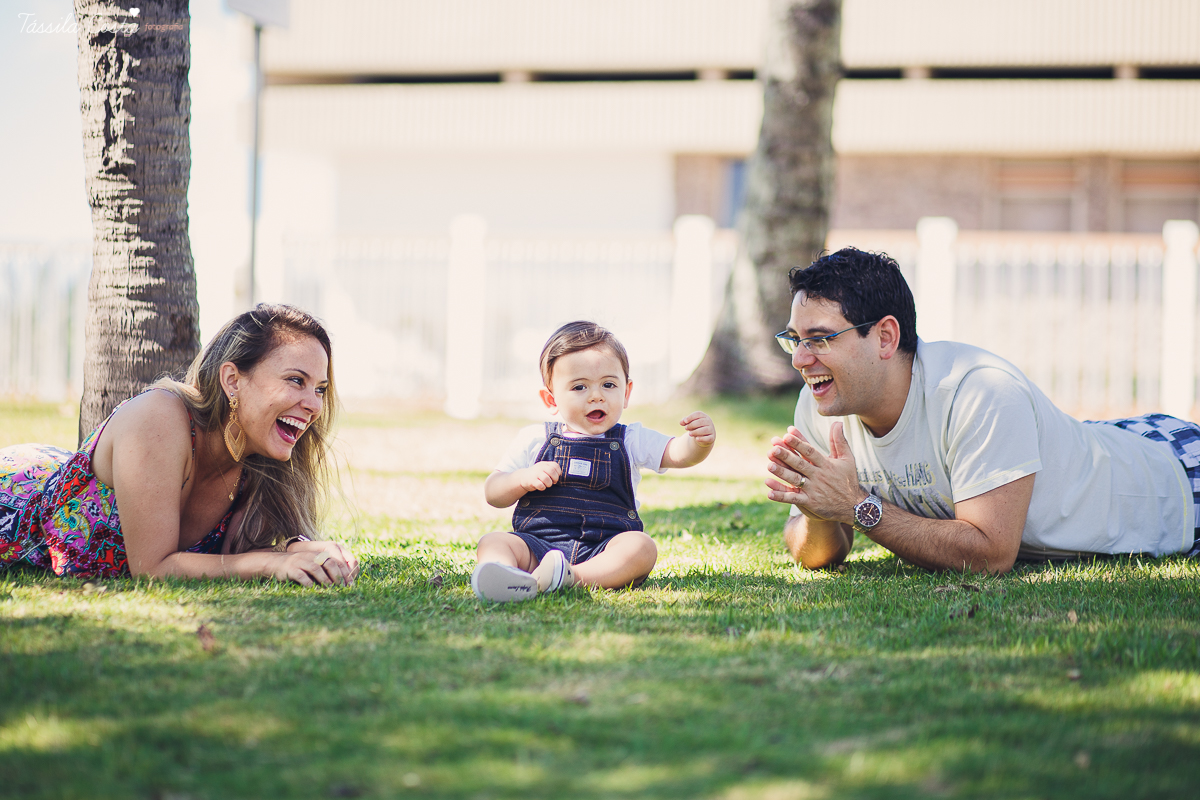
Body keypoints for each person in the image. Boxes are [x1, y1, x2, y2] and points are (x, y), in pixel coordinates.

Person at [766, 247, 1199, 574]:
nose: (800, 360)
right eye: (794, 339)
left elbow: (990, 553)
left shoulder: (978, 390)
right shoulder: (823, 402)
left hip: (1175, 480)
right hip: (1098, 445)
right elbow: (819, 554)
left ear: (884, 338)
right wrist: (818, 506)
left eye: (820, 339)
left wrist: (857, 505)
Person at [0, 303, 359, 586]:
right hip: (13, 493)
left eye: (320, 389)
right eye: (296, 380)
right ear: (233, 380)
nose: (314, 405)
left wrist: (298, 549)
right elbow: (153, 569)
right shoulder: (159, 418)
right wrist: (271, 562)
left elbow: (244, 552)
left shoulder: (259, 460)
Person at [472, 321, 716, 602]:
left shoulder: (630, 438)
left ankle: (572, 578)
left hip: (604, 548)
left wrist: (698, 442)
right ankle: (506, 576)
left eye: (609, 384)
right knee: (494, 542)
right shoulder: (534, 438)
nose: (596, 395)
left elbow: (676, 453)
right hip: (537, 546)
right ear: (551, 399)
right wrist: (521, 479)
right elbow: (494, 492)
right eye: (579, 387)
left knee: (641, 547)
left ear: (626, 392)